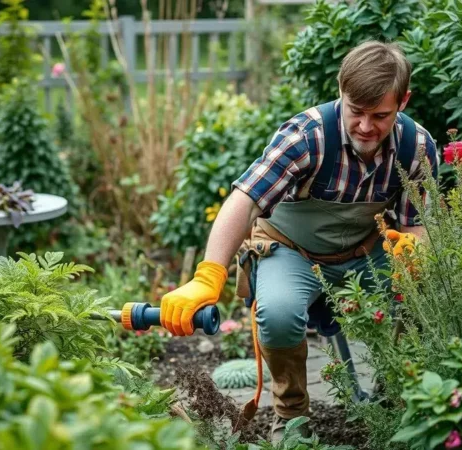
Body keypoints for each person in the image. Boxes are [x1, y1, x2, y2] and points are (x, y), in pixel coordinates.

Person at [159, 40, 439, 442]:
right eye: (355, 111)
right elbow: (245, 201)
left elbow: (416, 225)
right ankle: (292, 418)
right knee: (277, 313)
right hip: (292, 251)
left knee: (425, 288)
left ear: (403, 101)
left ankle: (396, 397)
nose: (364, 126)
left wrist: (415, 250)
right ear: (340, 91)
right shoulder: (306, 137)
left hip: (365, 251)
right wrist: (208, 274)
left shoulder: (417, 147)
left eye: (379, 115)